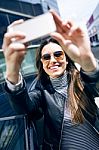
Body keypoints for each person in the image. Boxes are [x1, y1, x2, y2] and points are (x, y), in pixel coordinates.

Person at [2, 10, 99, 150]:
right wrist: (12, 71)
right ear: (41, 63)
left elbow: (95, 84)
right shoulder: (41, 91)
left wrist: (88, 62)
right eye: (46, 57)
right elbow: (23, 108)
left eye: (58, 54)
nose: (53, 60)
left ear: (67, 60)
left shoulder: (81, 81)